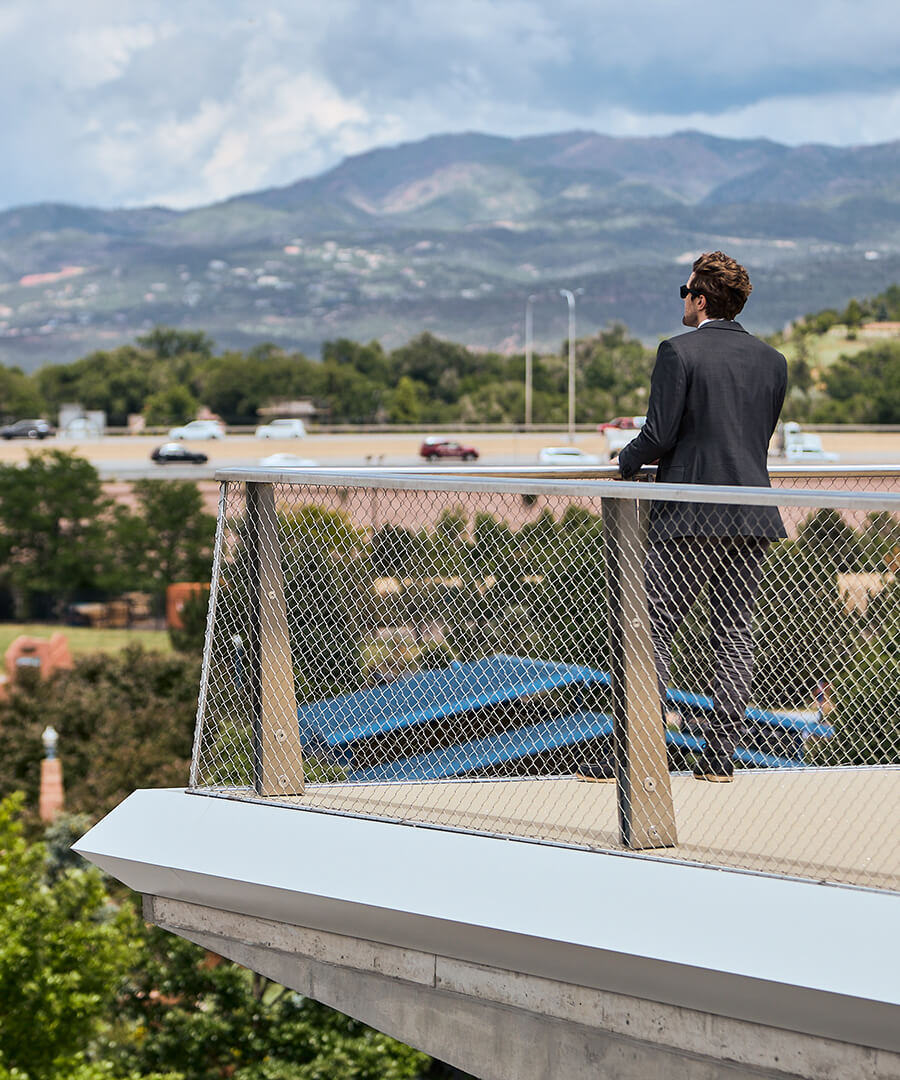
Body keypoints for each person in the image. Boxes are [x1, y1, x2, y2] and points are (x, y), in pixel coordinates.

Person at [579, 251, 787, 783]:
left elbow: (658, 436)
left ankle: (633, 751)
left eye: (685, 291)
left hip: (689, 513)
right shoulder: (773, 361)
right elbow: (753, 436)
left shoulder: (677, 352)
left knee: (652, 631)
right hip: (751, 511)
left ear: (700, 298)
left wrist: (620, 463)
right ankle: (718, 759)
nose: (683, 299)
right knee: (735, 633)